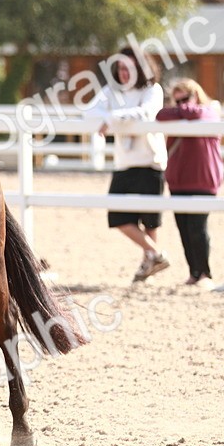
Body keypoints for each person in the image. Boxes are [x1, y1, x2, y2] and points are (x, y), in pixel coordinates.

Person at [93, 46, 168, 282]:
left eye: (130, 68)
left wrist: (112, 118)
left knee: (150, 222)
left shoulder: (152, 90)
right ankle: (156, 254)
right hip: (124, 162)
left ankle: (149, 267)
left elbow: (146, 113)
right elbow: (90, 111)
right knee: (118, 217)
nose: (124, 73)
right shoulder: (111, 91)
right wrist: (108, 117)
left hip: (150, 160)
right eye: (121, 68)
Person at [157, 79, 223, 287]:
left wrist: (180, 111)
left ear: (196, 94)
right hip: (179, 180)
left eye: (185, 99)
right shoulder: (177, 116)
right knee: (184, 228)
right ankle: (194, 272)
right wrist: (181, 110)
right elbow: (160, 115)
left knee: (198, 227)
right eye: (177, 101)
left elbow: (198, 113)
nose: (181, 105)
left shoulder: (210, 112)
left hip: (203, 179)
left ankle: (205, 272)